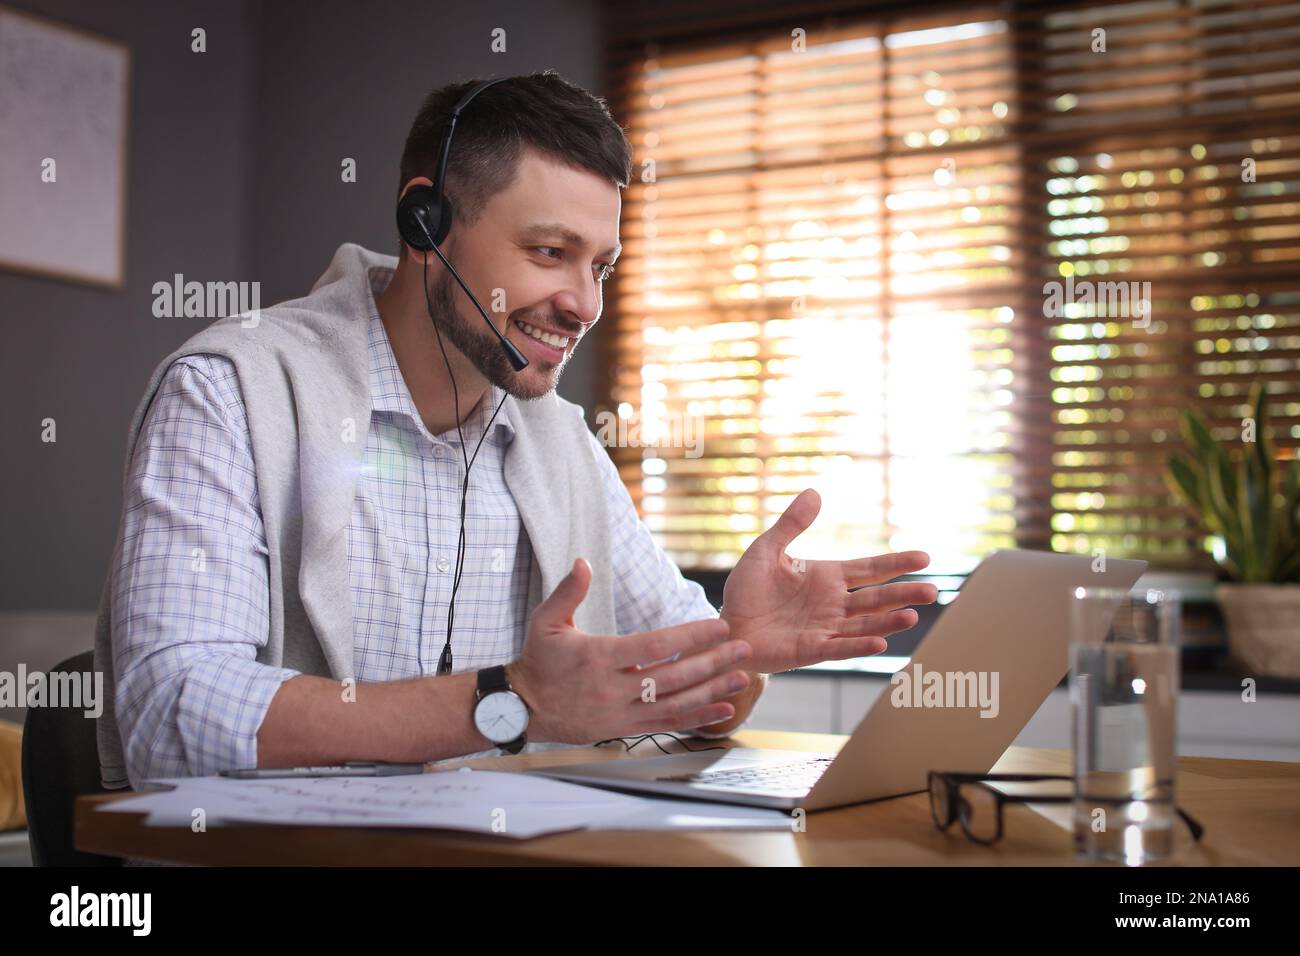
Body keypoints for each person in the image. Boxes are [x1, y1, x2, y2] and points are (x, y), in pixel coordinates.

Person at [94, 71, 937, 792]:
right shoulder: (231, 395)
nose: (586, 304)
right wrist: (512, 701)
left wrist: (735, 650)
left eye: (600, 266)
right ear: (426, 226)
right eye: (548, 252)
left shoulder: (559, 443)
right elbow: (170, 709)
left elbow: (682, 720)